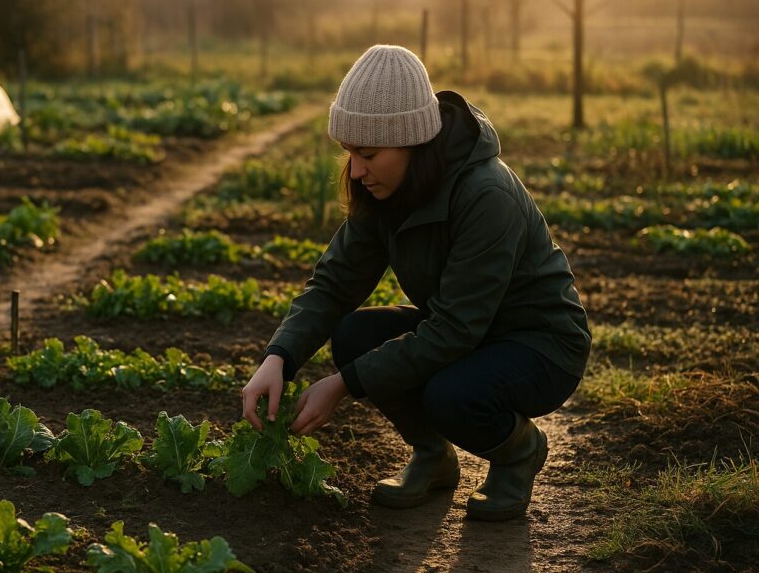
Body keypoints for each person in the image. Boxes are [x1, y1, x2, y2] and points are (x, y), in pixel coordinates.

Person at [240, 44, 591, 521]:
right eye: (349, 154)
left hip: (540, 344)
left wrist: (343, 385)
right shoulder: (385, 189)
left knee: (449, 394)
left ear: (413, 142)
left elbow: (453, 332)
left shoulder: (487, 195)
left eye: (367, 153)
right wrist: (278, 358)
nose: (356, 171)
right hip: (469, 332)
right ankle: (433, 457)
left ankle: (518, 453)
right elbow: (335, 283)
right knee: (354, 337)